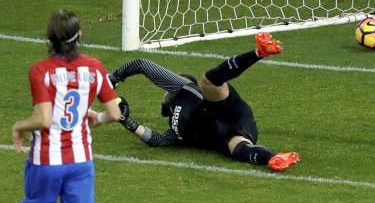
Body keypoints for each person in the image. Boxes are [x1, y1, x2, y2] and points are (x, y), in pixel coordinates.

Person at [11, 10, 123, 203]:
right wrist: (95, 120)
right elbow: (114, 114)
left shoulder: (41, 71)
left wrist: (20, 125)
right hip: (81, 160)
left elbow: (44, 120)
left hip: (46, 159)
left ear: (50, 39)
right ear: (80, 35)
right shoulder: (95, 67)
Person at [108, 32, 301, 172]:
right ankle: (274, 157)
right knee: (239, 148)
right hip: (225, 135)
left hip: (224, 110)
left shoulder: (182, 88)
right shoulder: (175, 133)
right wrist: (127, 121)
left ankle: (259, 53)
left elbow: (142, 64)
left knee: (209, 81)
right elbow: (157, 141)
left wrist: (112, 79)